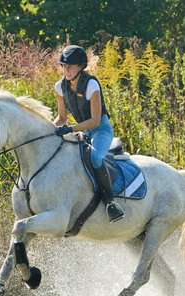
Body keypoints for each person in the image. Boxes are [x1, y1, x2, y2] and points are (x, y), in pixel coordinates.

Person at [53, 45, 125, 223]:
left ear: (80, 67)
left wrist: (70, 129)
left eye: (70, 66)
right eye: (64, 66)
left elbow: (94, 121)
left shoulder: (91, 85)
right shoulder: (60, 87)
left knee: (95, 158)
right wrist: (50, 129)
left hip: (101, 130)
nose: (66, 70)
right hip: (82, 131)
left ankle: (110, 204)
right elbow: (62, 117)